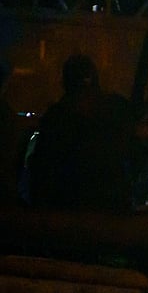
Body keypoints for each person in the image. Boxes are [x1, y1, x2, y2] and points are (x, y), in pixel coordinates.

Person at [28, 54, 136, 211]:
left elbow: (41, 170)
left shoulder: (57, 117)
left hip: (65, 208)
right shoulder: (117, 110)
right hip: (111, 208)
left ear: (64, 84)